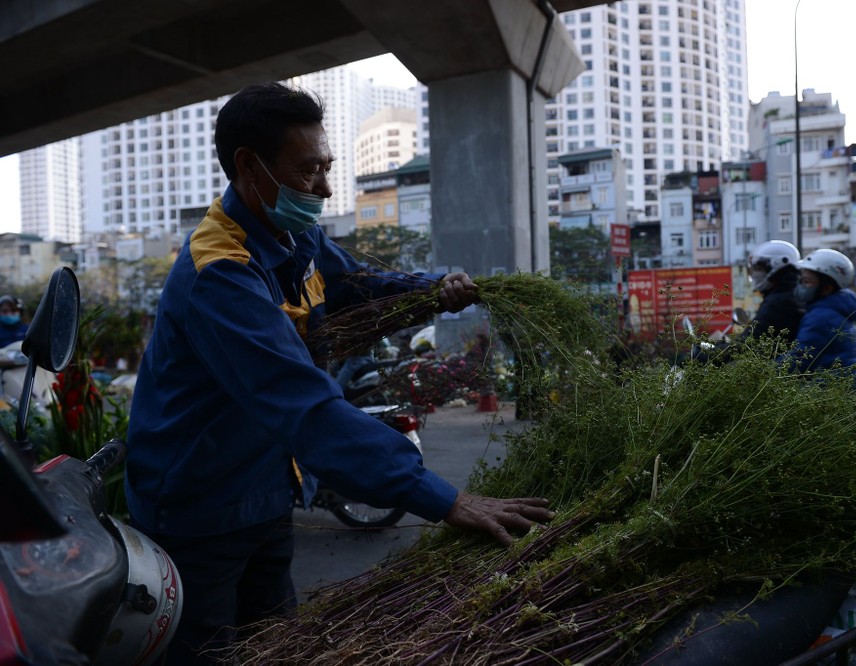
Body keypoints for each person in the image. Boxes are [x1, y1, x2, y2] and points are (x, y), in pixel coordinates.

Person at [124, 82, 552, 665]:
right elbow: (307, 408)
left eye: (327, 167)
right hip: (200, 512)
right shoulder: (218, 276)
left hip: (267, 492)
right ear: (250, 167)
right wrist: (447, 501)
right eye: (308, 171)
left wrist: (433, 294)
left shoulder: (295, 236)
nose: (325, 188)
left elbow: (359, 287)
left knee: (275, 646)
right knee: (208, 653)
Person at [784, 249, 856, 372]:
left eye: (807, 282)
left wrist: (765, 373)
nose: (801, 286)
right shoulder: (834, 309)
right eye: (801, 281)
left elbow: (799, 358)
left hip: (834, 387)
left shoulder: (822, 318)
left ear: (827, 288)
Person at [742, 240, 804, 343]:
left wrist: (709, 353)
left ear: (774, 267)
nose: (756, 274)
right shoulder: (792, 294)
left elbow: (745, 344)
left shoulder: (778, 303)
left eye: (759, 268)